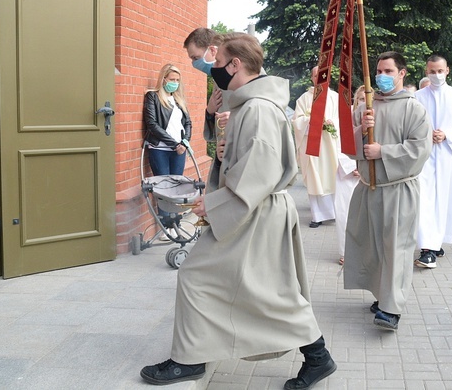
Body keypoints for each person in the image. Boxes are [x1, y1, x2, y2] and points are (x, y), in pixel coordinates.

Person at [140, 33, 337, 389]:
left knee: (203, 278)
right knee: (263, 291)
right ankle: (315, 356)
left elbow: (256, 176)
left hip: (255, 212)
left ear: (235, 65)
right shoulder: (249, 104)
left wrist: (210, 203)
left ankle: (191, 360)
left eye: (216, 64)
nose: (212, 70)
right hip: (251, 210)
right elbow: (238, 160)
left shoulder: (258, 109)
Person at [343, 51, 432, 331]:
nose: (381, 76)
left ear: (402, 74)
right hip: (368, 187)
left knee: (397, 249)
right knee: (372, 247)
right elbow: (348, 144)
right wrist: (360, 129)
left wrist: (383, 152)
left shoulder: (413, 108)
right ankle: (382, 295)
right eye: (379, 71)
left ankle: (392, 309)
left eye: (388, 71)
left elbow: (420, 149)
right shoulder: (367, 106)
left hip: (397, 188)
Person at [413, 55, 452, 268]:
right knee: (425, 200)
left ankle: (436, 241)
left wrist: (446, 134)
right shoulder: (418, 97)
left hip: (447, 155)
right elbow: (410, 126)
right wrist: (426, 135)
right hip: (424, 157)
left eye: (440, 71)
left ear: (447, 70)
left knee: (444, 199)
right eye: (432, 71)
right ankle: (427, 248)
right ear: (426, 71)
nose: (436, 75)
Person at [143, 64, 192, 238]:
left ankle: (175, 224)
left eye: (177, 80)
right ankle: (165, 226)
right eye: (172, 80)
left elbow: (187, 124)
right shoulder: (153, 97)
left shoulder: (179, 100)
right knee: (163, 187)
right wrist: (174, 144)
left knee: (177, 187)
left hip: (179, 150)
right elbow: (152, 124)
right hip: (160, 149)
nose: (175, 83)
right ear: (163, 79)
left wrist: (184, 143)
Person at [292, 67, 340, 228]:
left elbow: (344, 120)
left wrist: (332, 123)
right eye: (316, 76)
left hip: (331, 145)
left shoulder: (336, 97)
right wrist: (311, 121)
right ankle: (317, 216)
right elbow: (296, 121)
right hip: (312, 145)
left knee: (332, 176)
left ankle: (334, 212)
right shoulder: (304, 99)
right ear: (312, 78)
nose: (319, 79)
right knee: (315, 177)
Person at [334, 86, 365, 266]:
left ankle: (363, 252)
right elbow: (338, 146)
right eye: (359, 98)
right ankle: (346, 251)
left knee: (364, 215)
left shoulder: (375, 119)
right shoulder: (344, 119)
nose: (362, 101)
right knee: (344, 212)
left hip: (367, 173)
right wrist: (352, 166)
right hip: (346, 173)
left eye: (365, 98)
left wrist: (363, 168)